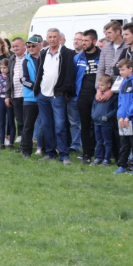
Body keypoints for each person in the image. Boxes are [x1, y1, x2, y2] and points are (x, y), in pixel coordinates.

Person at [33, 28, 76, 165]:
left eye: (54, 37)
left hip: (57, 95)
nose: (52, 39)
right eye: (50, 37)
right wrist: (38, 90)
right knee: (46, 125)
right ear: (47, 38)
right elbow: (40, 72)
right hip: (43, 95)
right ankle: (50, 153)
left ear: (59, 38)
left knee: (60, 125)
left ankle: (64, 155)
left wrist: (63, 91)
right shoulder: (43, 53)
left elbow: (69, 74)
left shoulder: (66, 53)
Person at [74, 29, 101, 164]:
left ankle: (101, 153)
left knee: (98, 123)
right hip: (83, 95)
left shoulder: (101, 55)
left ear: (94, 41)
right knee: (84, 125)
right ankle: (86, 153)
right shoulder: (78, 57)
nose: (83, 43)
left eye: (86, 41)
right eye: (82, 40)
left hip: (98, 94)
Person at [20, 36, 42, 158]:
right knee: (28, 126)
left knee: (46, 125)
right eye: (29, 46)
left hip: (45, 97)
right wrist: (36, 87)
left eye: (33, 46)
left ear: (40, 46)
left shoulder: (46, 58)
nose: (31, 48)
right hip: (30, 98)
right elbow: (23, 79)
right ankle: (26, 151)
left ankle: (48, 149)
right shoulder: (25, 60)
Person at [91, 75, 117, 166]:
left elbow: (115, 109)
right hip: (97, 121)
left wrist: (107, 116)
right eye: (99, 85)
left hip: (106, 123)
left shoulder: (113, 96)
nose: (100, 87)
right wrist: (93, 115)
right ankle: (98, 157)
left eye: (102, 85)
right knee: (98, 141)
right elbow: (94, 105)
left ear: (109, 85)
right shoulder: (98, 95)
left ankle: (107, 159)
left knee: (107, 142)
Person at [5, 37, 26, 147]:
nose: (15, 48)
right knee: (20, 121)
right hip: (16, 95)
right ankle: (23, 145)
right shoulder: (12, 59)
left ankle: (30, 143)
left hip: (28, 95)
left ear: (24, 46)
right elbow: (9, 78)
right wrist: (7, 95)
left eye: (17, 46)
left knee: (28, 121)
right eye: (13, 46)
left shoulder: (28, 58)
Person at [0, 59, 14, 150]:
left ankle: (11, 143)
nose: (3, 70)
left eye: (5, 67)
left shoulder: (10, 76)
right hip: (1, 99)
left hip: (9, 99)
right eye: (1, 68)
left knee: (11, 121)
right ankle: (2, 143)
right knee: (1, 121)